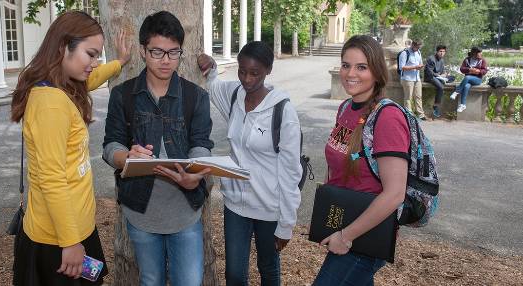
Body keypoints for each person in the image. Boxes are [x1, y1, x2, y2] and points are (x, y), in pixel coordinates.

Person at [10, 11, 131, 285]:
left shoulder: (62, 86)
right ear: (64, 46)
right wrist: (71, 242)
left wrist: (119, 63)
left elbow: (91, 78)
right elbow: (53, 179)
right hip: (59, 239)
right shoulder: (51, 104)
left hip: (73, 229)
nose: (94, 62)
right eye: (90, 54)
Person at [102, 11, 213, 286]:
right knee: (150, 280)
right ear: (142, 51)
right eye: (157, 52)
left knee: (189, 281)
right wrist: (125, 156)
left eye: (173, 53)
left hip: (185, 211)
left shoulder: (195, 96)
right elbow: (110, 145)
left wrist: (195, 175)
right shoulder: (123, 95)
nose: (166, 61)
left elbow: (201, 144)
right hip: (141, 212)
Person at [197, 41, 302, 286]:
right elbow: (214, 87)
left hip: (269, 207)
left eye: (255, 73)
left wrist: (286, 223)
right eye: (242, 71)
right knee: (234, 274)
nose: (247, 78)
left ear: (268, 71)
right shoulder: (235, 95)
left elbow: (290, 171)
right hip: (236, 205)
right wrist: (211, 68)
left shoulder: (283, 112)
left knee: (268, 268)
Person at [314, 35, 408, 285]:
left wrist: (346, 236)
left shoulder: (387, 118)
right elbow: (336, 165)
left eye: (361, 67)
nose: (350, 73)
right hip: (345, 224)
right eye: (346, 65)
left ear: (377, 72)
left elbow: (395, 194)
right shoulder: (345, 107)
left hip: (367, 235)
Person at [450, 47, 488, 113]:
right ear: (474, 53)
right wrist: (469, 70)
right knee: (466, 86)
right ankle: (463, 105)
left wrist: (478, 71)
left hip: (477, 79)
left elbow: (485, 71)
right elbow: (461, 69)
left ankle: (456, 92)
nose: (481, 54)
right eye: (479, 53)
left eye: (481, 53)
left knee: (467, 77)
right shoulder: (467, 60)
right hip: (467, 81)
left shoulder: (482, 60)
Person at [399, 39, 427, 120]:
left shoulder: (418, 52)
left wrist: (421, 66)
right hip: (407, 79)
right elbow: (402, 67)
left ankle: (421, 114)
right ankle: (409, 114)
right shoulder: (405, 53)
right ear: (413, 45)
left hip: (416, 78)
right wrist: (415, 67)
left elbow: (420, 63)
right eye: (417, 47)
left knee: (418, 96)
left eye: (419, 47)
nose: (418, 49)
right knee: (408, 97)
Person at [424, 45, 449, 118]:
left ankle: (443, 79)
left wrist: (444, 74)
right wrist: (439, 76)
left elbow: (442, 71)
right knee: (441, 87)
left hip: (438, 77)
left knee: (451, 78)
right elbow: (430, 72)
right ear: (437, 52)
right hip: (430, 77)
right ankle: (436, 105)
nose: (442, 53)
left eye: (443, 52)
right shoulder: (431, 59)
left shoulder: (442, 60)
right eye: (440, 51)